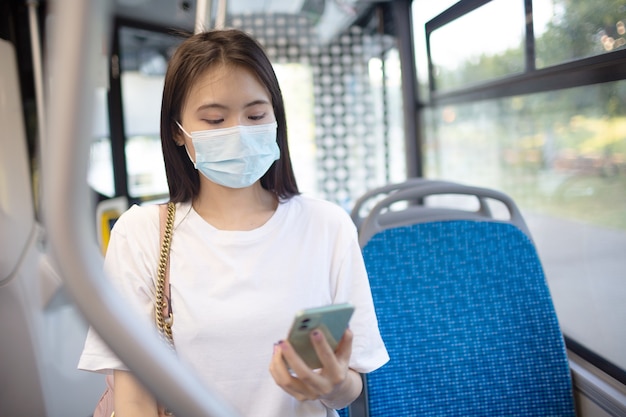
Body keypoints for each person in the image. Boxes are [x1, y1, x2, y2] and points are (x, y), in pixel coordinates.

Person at [78, 28, 388, 417]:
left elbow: (348, 389)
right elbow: (134, 401)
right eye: (214, 119)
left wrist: (335, 383)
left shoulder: (327, 226)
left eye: (255, 115)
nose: (238, 132)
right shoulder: (140, 235)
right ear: (178, 132)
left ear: (276, 117)